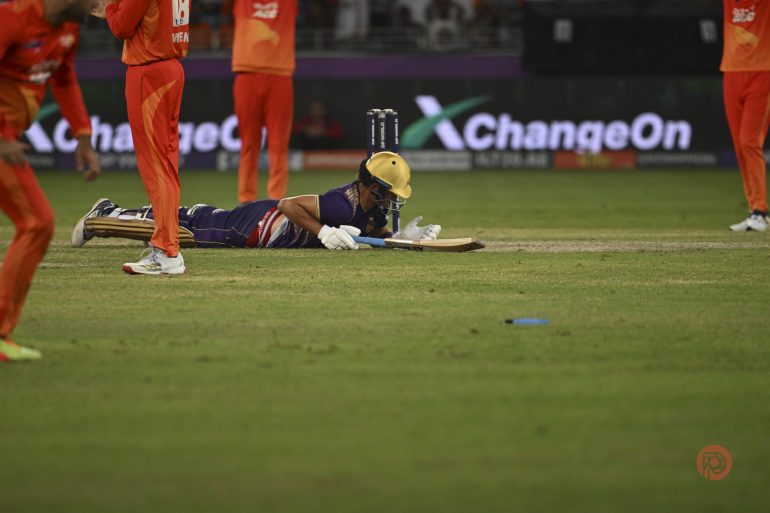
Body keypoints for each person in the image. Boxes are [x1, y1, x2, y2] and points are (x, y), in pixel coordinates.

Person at [0, 0, 101, 362]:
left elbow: (64, 77)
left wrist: (83, 136)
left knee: (36, 224)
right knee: (37, 222)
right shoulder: (11, 20)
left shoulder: (67, 30)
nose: (98, 7)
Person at [71, 152, 441, 250]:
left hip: (254, 219)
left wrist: (408, 239)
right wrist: (323, 232)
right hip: (256, 229)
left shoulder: (369, 208)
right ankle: (99, 222)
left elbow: (376, 235)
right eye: (390, 192)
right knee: (183, 234)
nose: (392, 200)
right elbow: (287, 205)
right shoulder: (342, 205)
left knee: (194, 215)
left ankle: (113, 209)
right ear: (372, 186)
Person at [91, 0, 189, 274]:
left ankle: (167, 252)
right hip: (170, 69)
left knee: (156, 167)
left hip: (149, 72)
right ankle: (168, 249)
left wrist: (111, 8)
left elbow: (121, 27)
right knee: (166, 167)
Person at [232, 0, 297, 203]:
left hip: (279, 74)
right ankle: (246, 200)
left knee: (278, 144)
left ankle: (276, 201)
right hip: (247, 73)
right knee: (249, 143)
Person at [722, 0, 770, 232]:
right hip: (731, 73)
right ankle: (754, 211)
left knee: (749, 142)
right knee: (740, 147)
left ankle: (761, 211)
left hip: (763, 72)